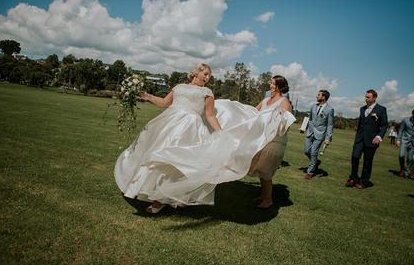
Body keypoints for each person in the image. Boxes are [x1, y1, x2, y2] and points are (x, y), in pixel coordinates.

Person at [115, 63, 295, 213]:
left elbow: (210, 116)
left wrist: (221, 134)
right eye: (206, 73)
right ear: (196, 72)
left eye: (209, 75)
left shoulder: (207, 92)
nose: (208, 77)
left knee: (176, 162)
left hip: (189, 128)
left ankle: (161, 200)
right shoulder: (178, 87)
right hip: (168, 124)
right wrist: (147, 96)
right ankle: (144, 189)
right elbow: (164, 103)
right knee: (154, 157)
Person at [248, 75, 293, 209]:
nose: (270, 85)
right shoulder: (266, 100)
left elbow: (286, 123)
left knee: (266, 169)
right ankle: (263, 195)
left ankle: (268, 200)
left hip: (274, 140)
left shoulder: (284, 101)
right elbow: (252, 113)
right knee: (261, 168)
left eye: (273, 83)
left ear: (279, 86)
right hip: (261, 138)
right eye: (271, 83)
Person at [346, 89, 388, 189]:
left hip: (372, 140)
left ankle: (364, 181)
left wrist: (378, 137)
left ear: (374, 98)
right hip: (359, 139)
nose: (366, 98)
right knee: (355, 157)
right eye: (365, 96)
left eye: (368, 97)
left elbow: (384, 125)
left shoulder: (381, 109)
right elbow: (361, 123)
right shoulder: (362, 109)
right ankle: (354, 177)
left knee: (367, 161)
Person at [303, 90, 334, 180]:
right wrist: (303, 127)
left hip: (320, 134)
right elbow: (310, 119)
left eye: (318, 95)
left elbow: (330, 124)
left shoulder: (330, 109)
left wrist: (328, 138)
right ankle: (315, 162)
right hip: (310, 132)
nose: (316, 96)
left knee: (313, 152)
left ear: (323, 97)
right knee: (306, 151)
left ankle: (310, 171)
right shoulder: (313, 106)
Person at [396, 108, 414, 179]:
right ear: (412, 114)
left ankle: (407, 171)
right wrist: (398, 140)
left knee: (410, 158)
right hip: (404, 140)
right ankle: (402, 169)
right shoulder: (405, 120)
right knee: (401, 155)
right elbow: (401, 130)